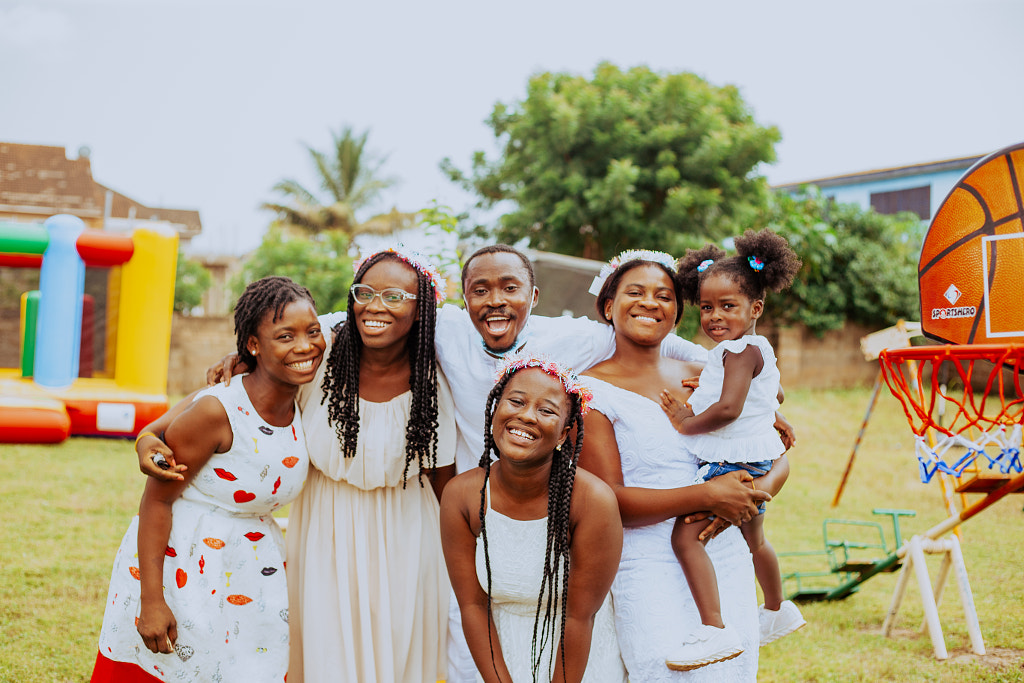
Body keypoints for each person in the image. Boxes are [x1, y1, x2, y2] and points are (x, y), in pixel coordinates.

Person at [150, 245, 727, 683]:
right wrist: (232, 359)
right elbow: (298, 335)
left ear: (531, 296)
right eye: (480, 288)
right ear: (460, 297)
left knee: (422, 648)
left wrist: (743, 381)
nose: (494, 300)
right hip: (334, 531)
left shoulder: (554, 341)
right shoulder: (379, 340)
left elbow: (648, 338)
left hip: (430, 522)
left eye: (509, 288)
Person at [137, 248, 457, 683]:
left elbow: (444, 480)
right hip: (325, 526)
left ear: (421, 310)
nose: (377, 306)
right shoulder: (320, 355)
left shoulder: (434, 376)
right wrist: (147, 437)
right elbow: (254, 370)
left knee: (398, 654)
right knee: (324, 654)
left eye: (396, 296)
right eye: (366, 292)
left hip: (408, 531)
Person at [92, 276, 325, 682]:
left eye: (313, 332)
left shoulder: (303, 399)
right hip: (184, 563)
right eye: (285, 336)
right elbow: (157, 501)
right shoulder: (218, 410)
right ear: (253, 344)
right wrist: (152, 601)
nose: (305, 346)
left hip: (252, 568)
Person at [579, 249, 791, 682]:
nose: (650, 302)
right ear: (607, 306)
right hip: (647, 563)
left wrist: (747, 496)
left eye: (664, 295)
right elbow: (606, 501)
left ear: (677, 311)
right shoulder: (588, 390)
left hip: (724, 550)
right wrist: (709, 495)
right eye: (634, 292)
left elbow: (776, 453)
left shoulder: (712, 372)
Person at [658, 230, 805, 670]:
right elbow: (771, 396)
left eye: (728, 306)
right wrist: (709, 386)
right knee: (755, 538)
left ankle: (714, 630)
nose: (714, 316)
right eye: (706, 307)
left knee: (685, 538)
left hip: (733, 461)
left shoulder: (738, 352)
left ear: (755, 308)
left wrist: (687, 419)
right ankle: (778, 609)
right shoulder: (748, 350)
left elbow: (728, 409)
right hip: (753, 453)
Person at [440, 355, 626, 683]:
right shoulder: (462, 496)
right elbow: (472, 606)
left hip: (578, 662)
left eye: (546, 410)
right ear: (496, 408)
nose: (526, 416)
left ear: (563, 434)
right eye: (516, 401)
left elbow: (580, 617)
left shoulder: (591, 500)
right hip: (503, 657)